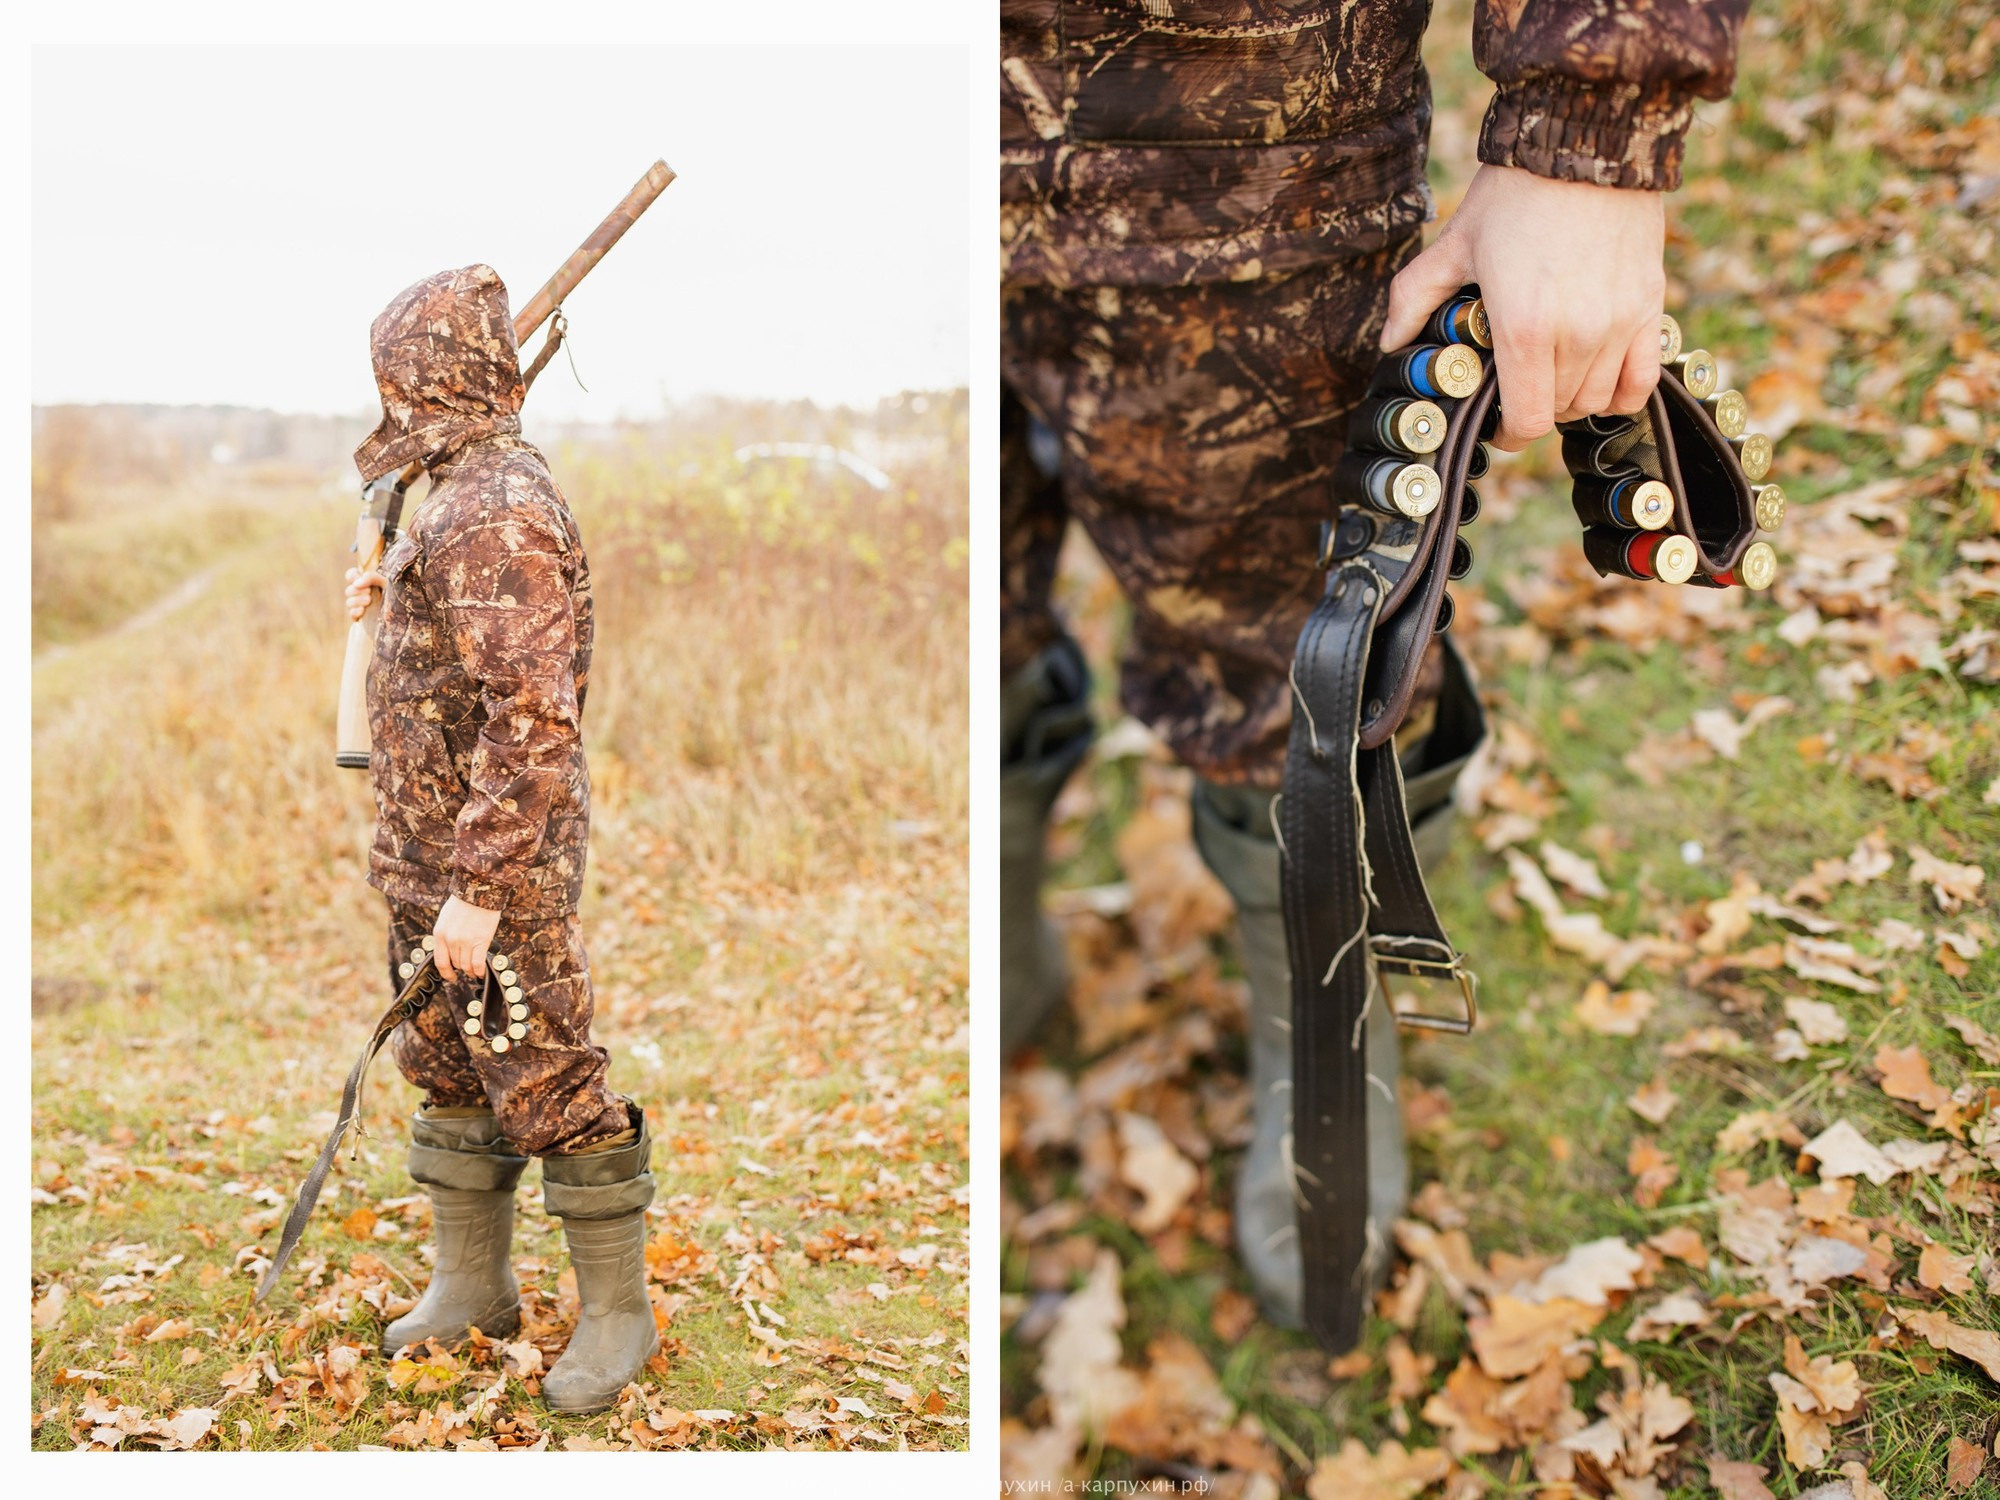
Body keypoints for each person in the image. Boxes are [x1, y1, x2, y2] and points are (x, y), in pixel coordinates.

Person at [1001, 0, 1748, 1327]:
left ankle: (1319, 1015)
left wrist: (1591, 122)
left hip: (1225, 114)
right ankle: (996, 928)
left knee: (1301, 646)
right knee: (969, 602)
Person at [342, 264, 655, 1412]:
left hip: (494, 877)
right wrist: (392, 604)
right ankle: (473, 1286)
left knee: (548, 1076)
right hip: (425, 863)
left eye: (402, 379)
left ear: (433, 379)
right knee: (448, 1060)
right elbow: (460, 674)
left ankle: (619, 1312)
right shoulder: (451, 500)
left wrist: (479, 887)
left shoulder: (498, 507)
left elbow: (532, 715)